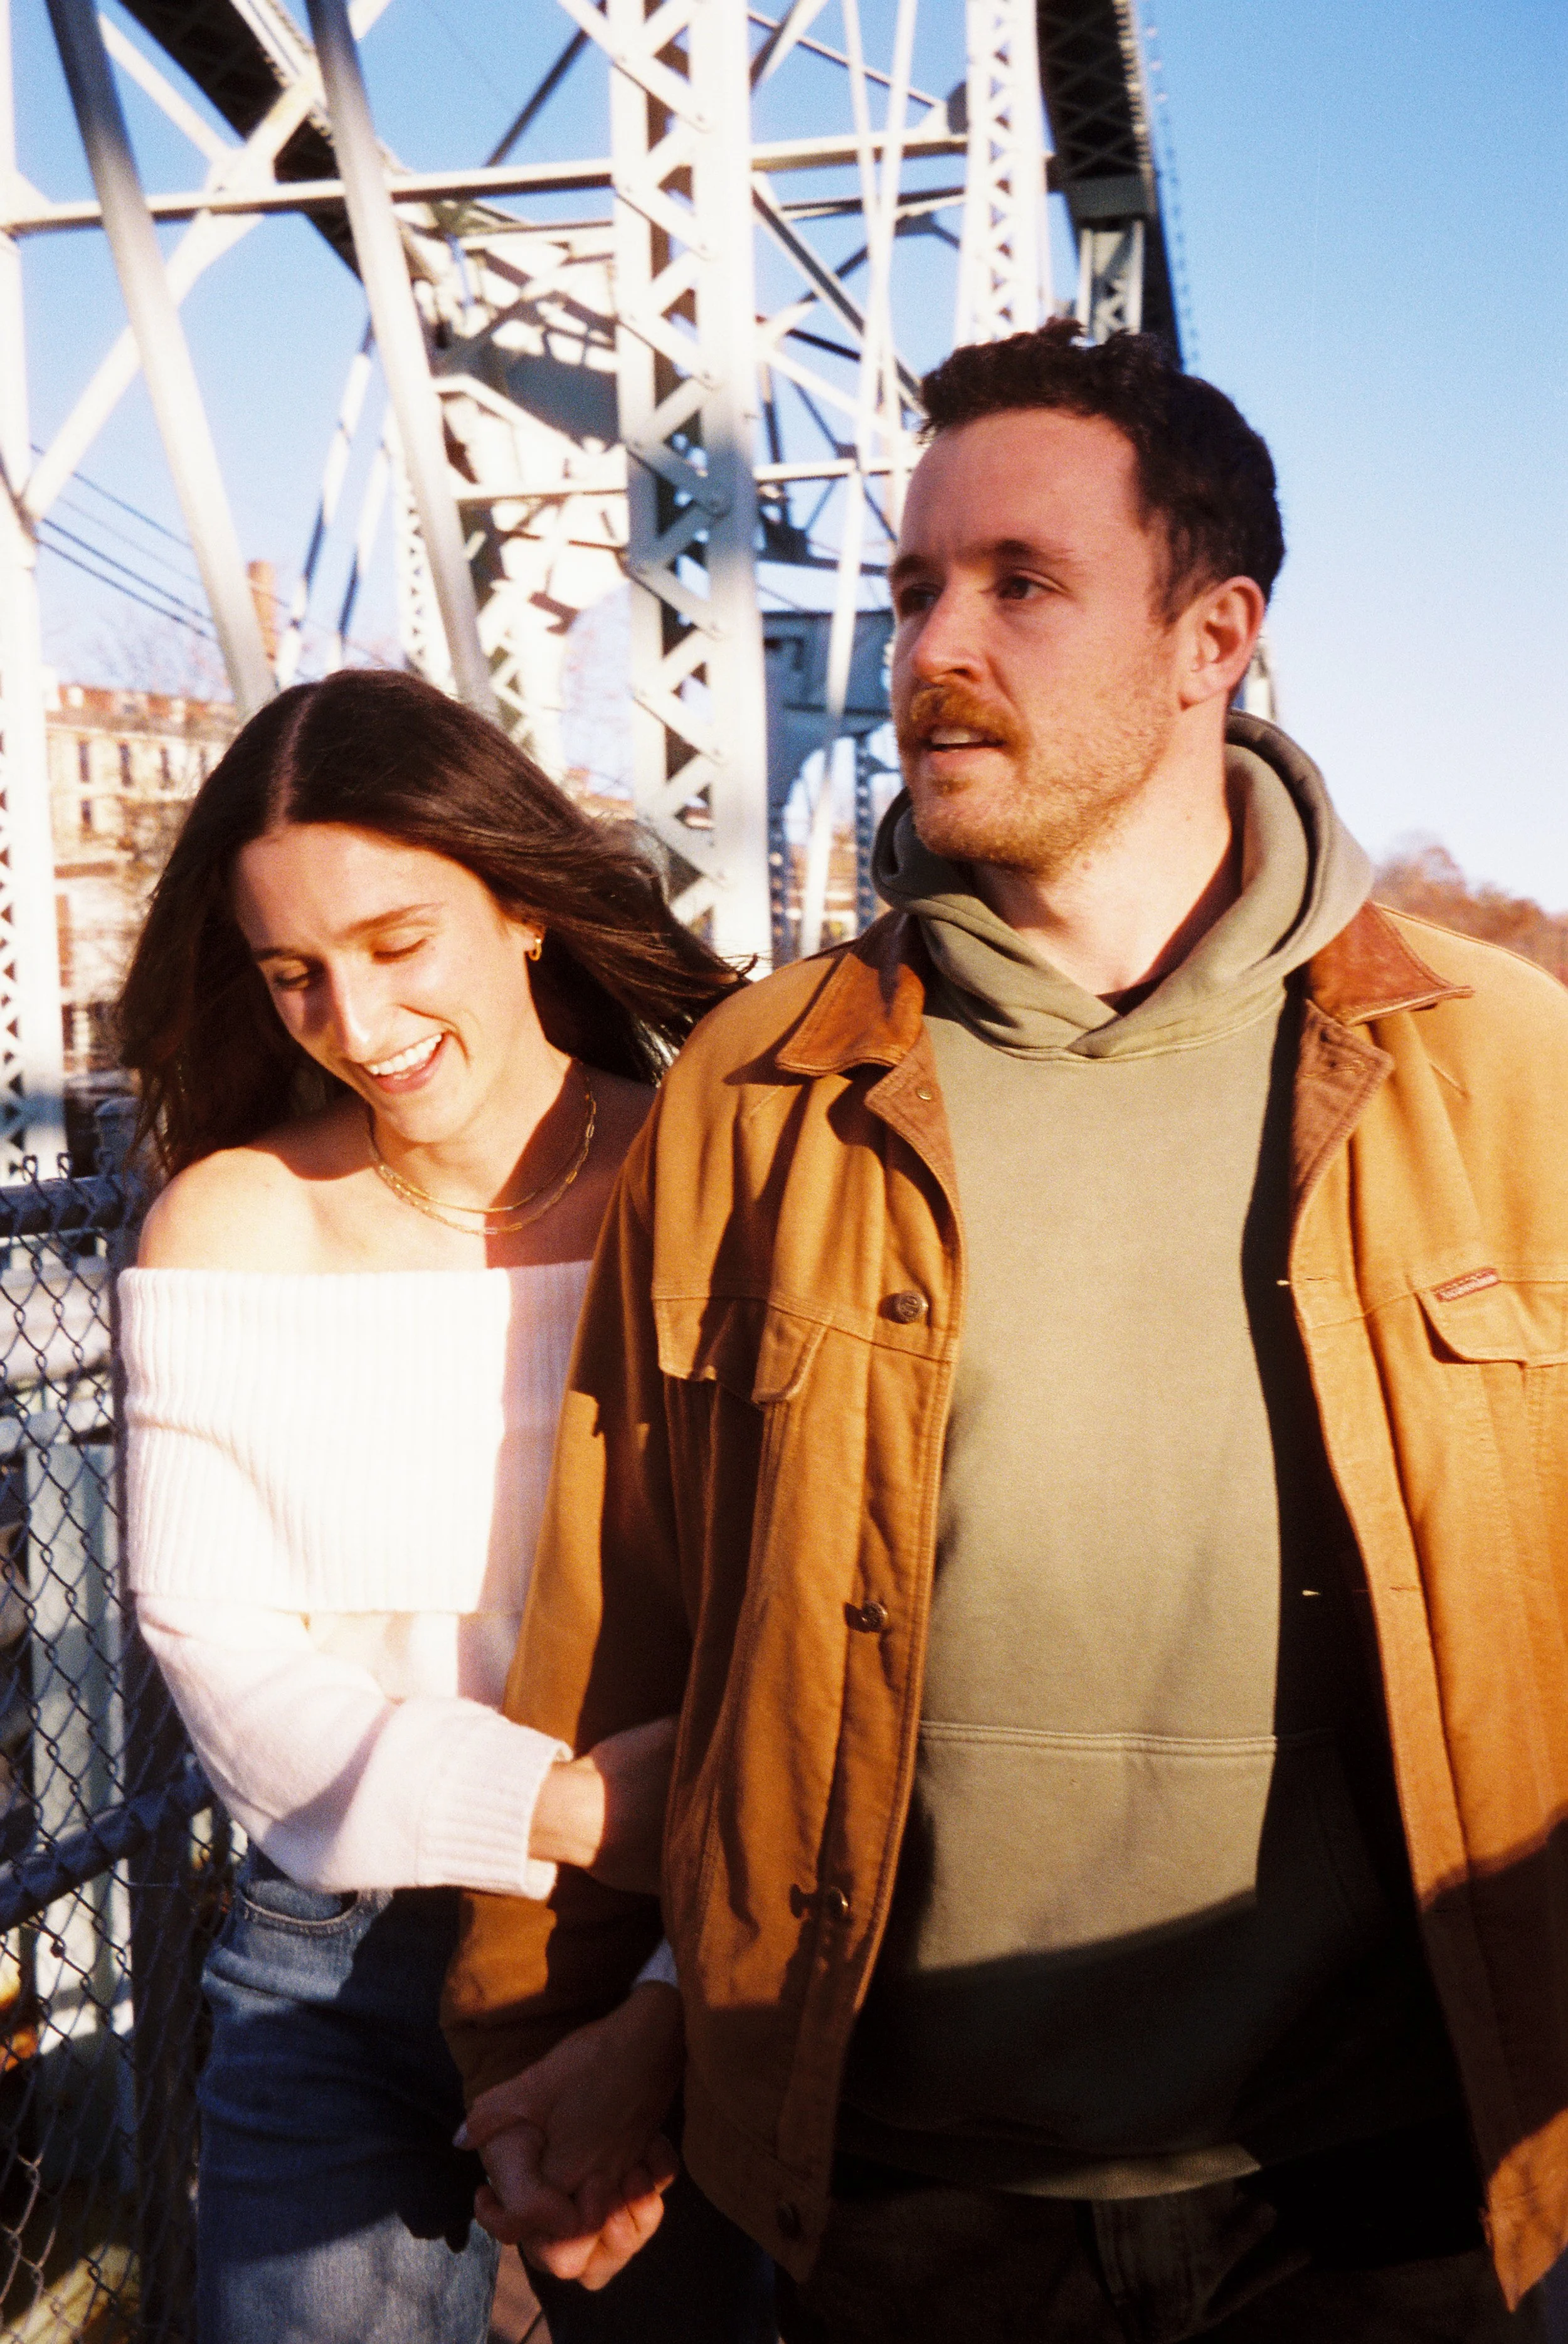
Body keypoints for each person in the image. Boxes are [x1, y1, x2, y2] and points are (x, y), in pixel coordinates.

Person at [445, 321, 1568, 2343]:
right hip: (907, 2186)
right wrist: (582, 2024)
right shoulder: (762, 1089)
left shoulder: (1507, 1078)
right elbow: (621, 1618)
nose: (931, 646)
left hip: (1388, 2179)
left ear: (1212, 635)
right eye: (909, 589)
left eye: (1019, 586)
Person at [117, 668, 775, 2343]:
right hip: (333, 1957)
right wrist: (554, 1813)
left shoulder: (712, 1187)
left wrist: (670, 1982)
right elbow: (219, 1654)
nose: (353, 1020)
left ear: (527, 905)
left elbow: (811, 1604)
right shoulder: (238, 1221)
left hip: (675, 1935)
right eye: (294, 977)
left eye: (398, 944)